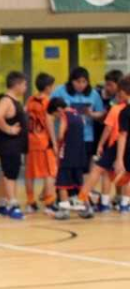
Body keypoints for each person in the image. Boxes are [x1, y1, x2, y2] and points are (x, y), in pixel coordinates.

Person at [51, 67, 105, 206]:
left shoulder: (93, 94)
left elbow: (101, 113)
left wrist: (91, 114)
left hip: (86, 137)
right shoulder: (60, 91)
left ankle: (79, 197)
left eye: (84, 82)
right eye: (78, 81)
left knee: (82, 169)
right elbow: (50, 110)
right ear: (71, 81)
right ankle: (63, 198)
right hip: (67, 140)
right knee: (64, 169)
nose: (81, 85)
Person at [75, 76, 126, 214]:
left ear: (122, 92)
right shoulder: (120, 108)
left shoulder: (117, 109)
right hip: (118, 145)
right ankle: (124, 205)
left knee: (100, 171)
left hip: (117, 145)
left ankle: (87, 200)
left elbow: (114, 131)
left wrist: (101, 145)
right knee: (116, 174)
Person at [0, 71, 28, 220]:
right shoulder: (7, 100)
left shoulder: (14, 100)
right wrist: (9, 129)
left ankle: (1, 204)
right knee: (11, 174)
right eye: (24, 84)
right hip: (8, 144)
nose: (26, 87)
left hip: (12, 144)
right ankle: (13, 205)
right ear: (17, 84)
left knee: (5, 173)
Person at [48, 97, 91, 220]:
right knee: (79, 183)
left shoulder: (64, 116)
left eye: (55, 114)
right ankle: (87, 208)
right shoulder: (77, 114)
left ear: (58, 109)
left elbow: (61, 134)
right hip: (80, 154)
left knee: (62, 183)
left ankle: (64, 210)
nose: (56, 117)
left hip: (67, 154)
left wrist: (57, 142)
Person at [23, 73, 58, 214]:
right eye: (52, 86)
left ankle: (30, 202)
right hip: (43, 141)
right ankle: (49, 203)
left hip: (30, 140)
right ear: (48, 87)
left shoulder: (30, 99)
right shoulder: (48, 102)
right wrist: (54, 142)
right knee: (50, 172)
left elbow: (25, 116)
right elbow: (49, 123)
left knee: (30, 173)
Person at [113, 75, 130, 211]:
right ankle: (125, 204)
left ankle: (124, 204)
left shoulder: (124, 112)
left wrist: (119, 159)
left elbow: (123, 135)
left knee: (127, 176)